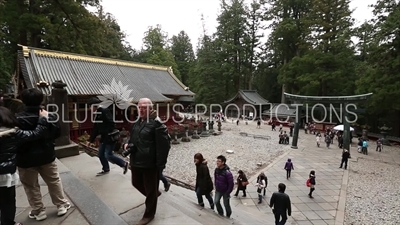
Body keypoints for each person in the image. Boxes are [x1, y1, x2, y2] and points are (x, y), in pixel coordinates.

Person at [16, 88, 71, 221]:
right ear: (41, 100)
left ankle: (39, 210)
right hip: (47, 155)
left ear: (23, 101)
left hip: (25, 158)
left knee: (31, 185)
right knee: (53, 180)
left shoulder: (17, 118)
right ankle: (61, 205)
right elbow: (57, 133)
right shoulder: (49, 115)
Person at [123, 98, 171, 225]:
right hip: (136, 159)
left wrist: (160, 165)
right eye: (139, 107)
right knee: (136, 182)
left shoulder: (157, 124)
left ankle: (149, 214)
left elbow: (164, 146)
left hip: (150, 163)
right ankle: (154, 195)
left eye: (144, 107)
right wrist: (127, 144)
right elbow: (133, 137)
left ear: (151, 108)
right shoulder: (138, 121)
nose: (141, 109)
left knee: (150, 190)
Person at [0, 106, 50, 225]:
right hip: (4, 174)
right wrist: (43, 119)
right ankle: (8, 222)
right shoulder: (12, 133)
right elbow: (35, 134)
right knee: (8, 201)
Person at [86, 97, 128, 176]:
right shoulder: (97, 114)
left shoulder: (104, 111)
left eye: (89, 106)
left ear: (94, 106)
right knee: (100, 154)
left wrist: (104, 131)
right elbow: (95, 128)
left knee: (108, 155)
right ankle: (106, 168)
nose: (89, 108)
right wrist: (90, 140)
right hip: (104, 138)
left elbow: (111, 123)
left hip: (110, 137)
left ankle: (124, 164)